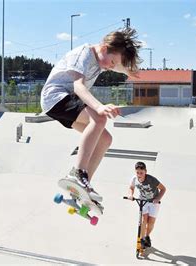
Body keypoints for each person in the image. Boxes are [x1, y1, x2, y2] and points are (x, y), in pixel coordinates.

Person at [41, 28, 142, 203]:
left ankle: (82, 187)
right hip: (56, 96)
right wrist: (99, 107)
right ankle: (78, 174)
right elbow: (79, 87)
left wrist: (128, 71)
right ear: (104, 47)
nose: (111, 67)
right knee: (99, 118)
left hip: (63, 101)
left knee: (105, 139)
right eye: (111, 62)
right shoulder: (84, 55)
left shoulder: (102, 59)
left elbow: (117, 64)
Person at [127, 162, 166, 248]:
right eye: (137, 172)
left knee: (151, 222)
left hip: (153, 202)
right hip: (143, 201)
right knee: (143, 220)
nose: (139, 175)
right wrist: (130, 195)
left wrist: (158, 199)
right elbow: (131, 187)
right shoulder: (134, 179)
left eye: (141, 173)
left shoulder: (152, 180)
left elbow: (163, 189)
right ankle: (142, 239)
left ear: (145, 172)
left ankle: (147, 236)